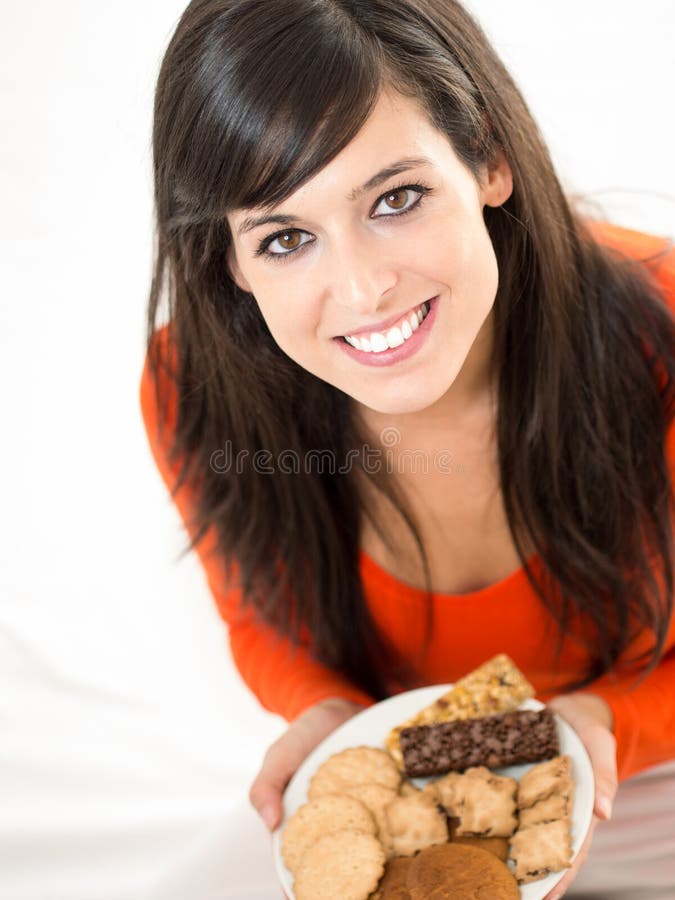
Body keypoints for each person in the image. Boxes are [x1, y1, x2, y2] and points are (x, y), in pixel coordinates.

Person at [140, 0, 675, 895]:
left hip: (646, 773)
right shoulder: (191, 389)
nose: (360, 289)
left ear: (488, 159)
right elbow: (258, 618)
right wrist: (325, 710)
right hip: (413, 773)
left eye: (395, 198)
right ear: (231, 261)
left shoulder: (660, 331)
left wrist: (607, 723)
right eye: (284, 238)